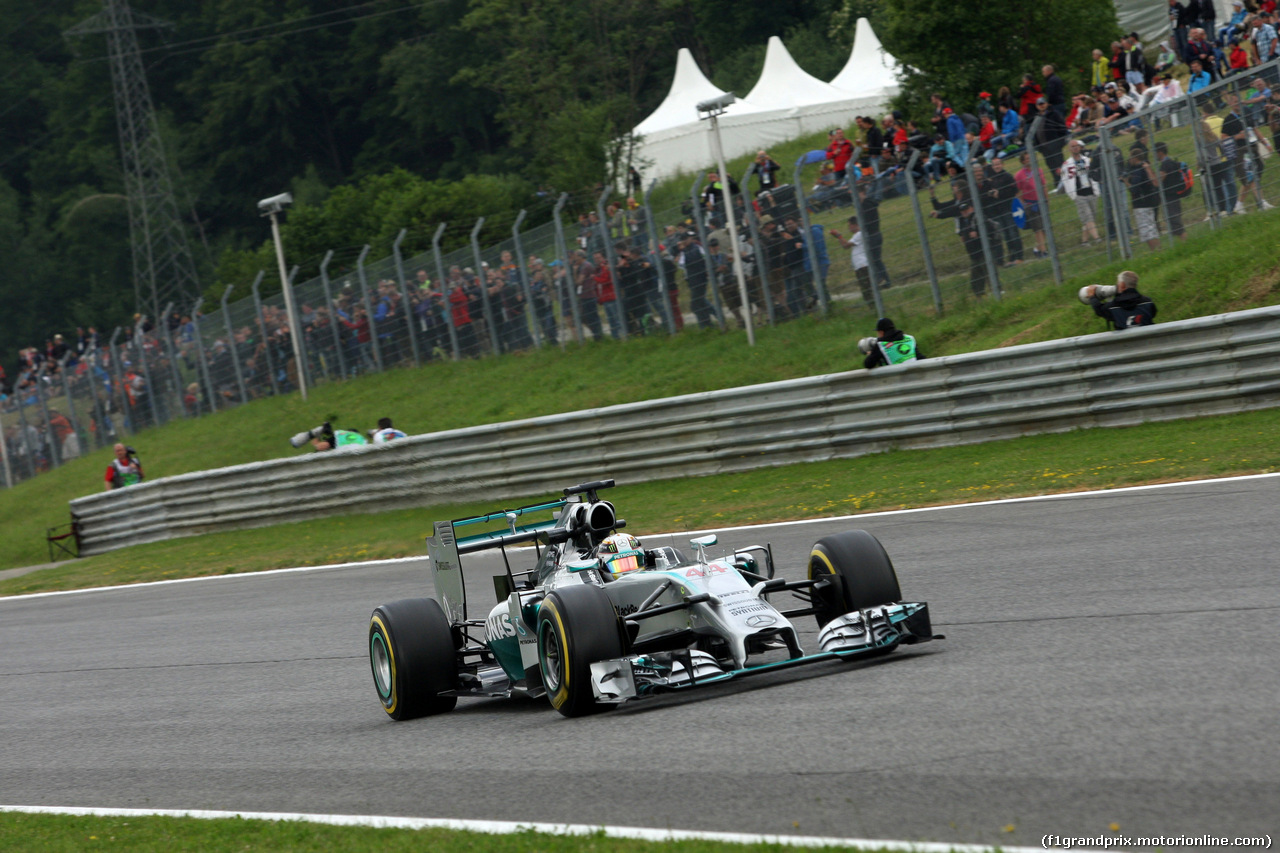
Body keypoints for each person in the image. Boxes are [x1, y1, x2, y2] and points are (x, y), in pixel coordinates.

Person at [1061, 140, 1101, 245]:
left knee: (1089, 218)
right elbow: (1065, 180)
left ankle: (1085, 241)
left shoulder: (1087, 160)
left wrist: (1096, 189)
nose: (1075, 148)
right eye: (1072, 146)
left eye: (1076, 146)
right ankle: (1097, 238)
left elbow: (1093, 174)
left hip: (1091, 192)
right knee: (1088, 217)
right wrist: (1072, 195)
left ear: (1080, 147)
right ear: (1069, 149)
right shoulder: (1067, 165)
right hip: (1079, 195)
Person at [1085, 270, 1157, 329]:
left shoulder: (1113, 306)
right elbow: (1153, 313)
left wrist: (1092, 297)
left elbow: (1099, 310)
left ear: (1122, 285)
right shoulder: (1148, 302)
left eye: (1118, 284)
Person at [829, 216, 874, 308]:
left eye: (850, 225)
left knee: (866, 289)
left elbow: (846, 245)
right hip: (859, 266)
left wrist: (838, 235)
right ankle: (873, 306)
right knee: (865, 289)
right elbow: (845, 246)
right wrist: (838, 237)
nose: (848, 227)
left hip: (863, 265)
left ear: (855, 225)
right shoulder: (856, 235)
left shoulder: (860, 234)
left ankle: (874, 306)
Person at [1124, 146, 1163, 250]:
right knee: (1151, 228)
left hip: (1141, 203)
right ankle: (1158, 250)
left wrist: (1126, 182)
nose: (1129, 160)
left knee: (1147, 230)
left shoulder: (1137, 171)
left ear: (1134, 158)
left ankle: (1156, 251)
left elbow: (1134, 189)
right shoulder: (1147, 167)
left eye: (1130, 158)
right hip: (1151, 200)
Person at [1154, 142, 1189, 240]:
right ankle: (1182, 244)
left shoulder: (1165, 165)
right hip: (1174, 196)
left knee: (1176, 223)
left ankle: (1185, 243)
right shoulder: (1171, 162)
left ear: (1160, 152)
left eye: (1155, 152)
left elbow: (1158, 181)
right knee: (1174, 223)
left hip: (1170, 198)